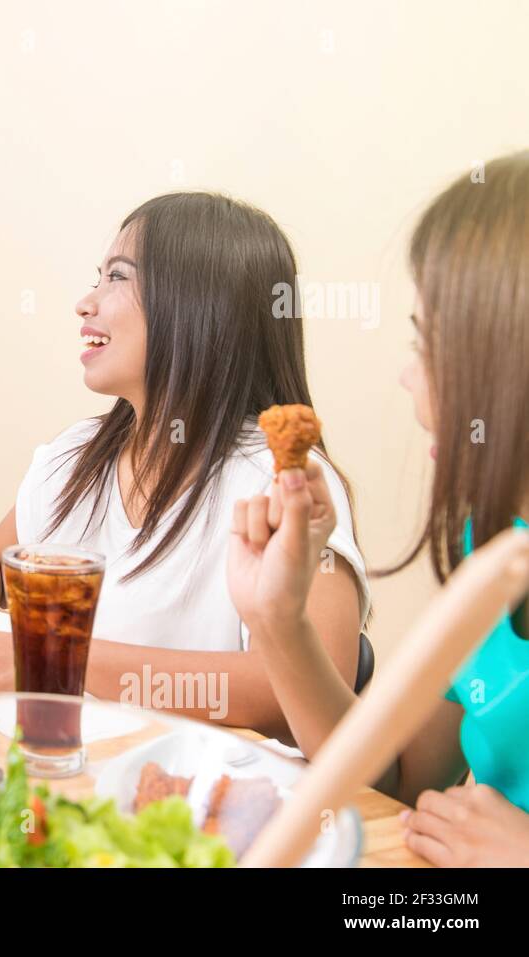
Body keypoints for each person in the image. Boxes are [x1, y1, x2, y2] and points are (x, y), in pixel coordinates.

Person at [0, 192, 368, 736]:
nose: (85, 302)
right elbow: (2, 572)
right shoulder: (75, 454)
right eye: (96, 277)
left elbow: (300, 691)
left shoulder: (283, 484)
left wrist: (59, 661)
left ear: (199, 306)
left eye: (117, 278)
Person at [228, 151, 529, 866]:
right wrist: (278, 617)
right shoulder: (493, 553)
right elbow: (386, 778)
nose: (406, 376)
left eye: (428, 344)